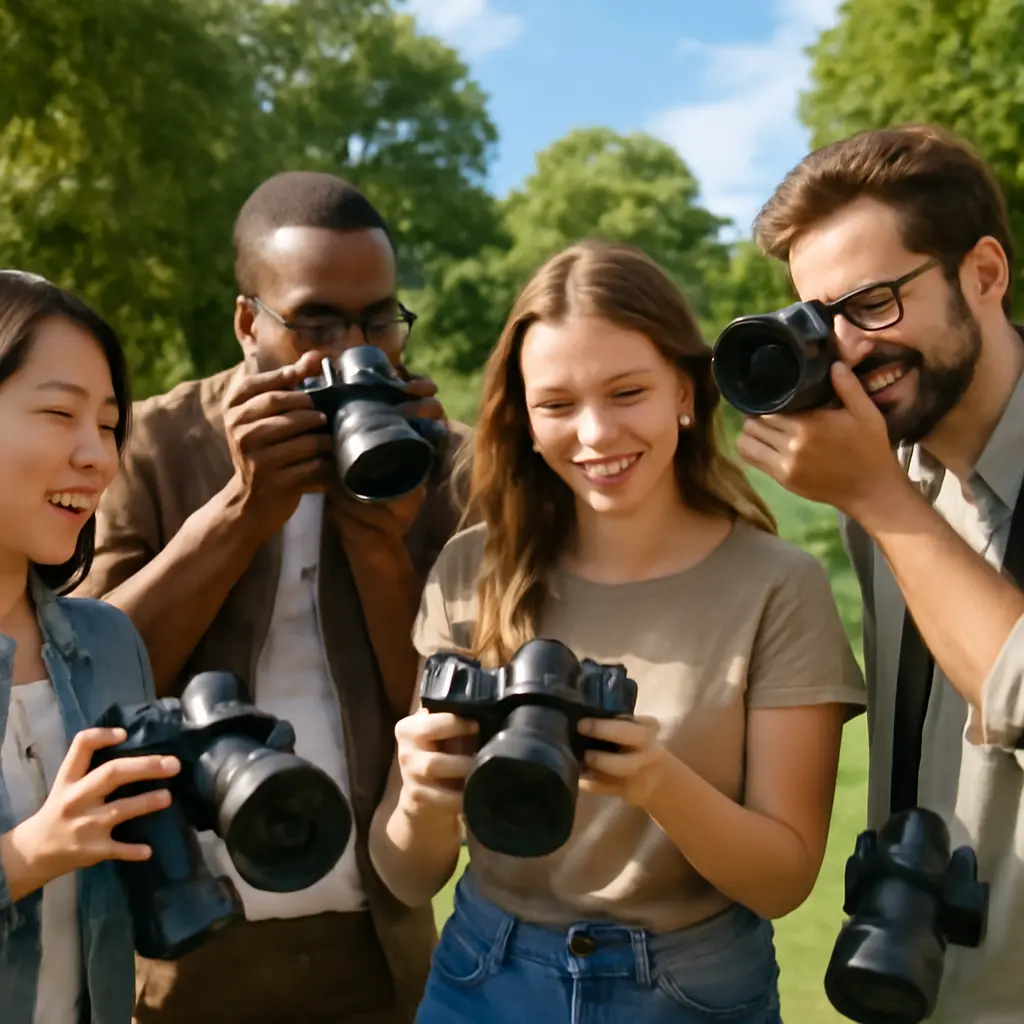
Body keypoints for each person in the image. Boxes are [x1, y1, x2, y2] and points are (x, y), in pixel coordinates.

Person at [368, 240, 866, 1023]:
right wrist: (424, 801)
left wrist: (657, 783)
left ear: (685, 392)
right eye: (557, 405)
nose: (596, 434)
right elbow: (404, 875)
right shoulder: (473, 571)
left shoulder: (779, 586)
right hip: (483, 981)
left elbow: (784, 880)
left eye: (627, 391)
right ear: (524, 422)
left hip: (695, 994)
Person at [78, 172, 466, 1023]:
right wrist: (242, 512)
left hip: (380, 942)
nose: (354, 350)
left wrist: (380, 545)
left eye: (378, 321)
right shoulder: (149, 445)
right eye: (315, 324)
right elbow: (91, 684)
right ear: (247, 322)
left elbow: (446, 710)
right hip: (186, 944)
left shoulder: (443, 461)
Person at [736, 124, 1024, 1023]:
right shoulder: (889, 471)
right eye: (819, 319)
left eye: (872, 303)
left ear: (984, 273)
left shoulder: (878, 488)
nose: (849, 349)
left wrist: (878, 501)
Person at [0, 270, 183, 1023]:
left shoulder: (109, 642)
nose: (99, 457)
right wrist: (30, 855)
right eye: (59, 413)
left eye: (107, 425)